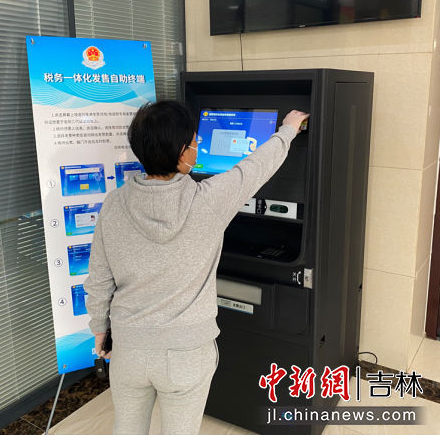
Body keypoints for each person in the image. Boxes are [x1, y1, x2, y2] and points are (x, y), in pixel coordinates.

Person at [83, 101, 309, 435]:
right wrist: (288, 129)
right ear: (181, 154)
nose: (197, 147)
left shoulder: (113, 204)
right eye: (193, 142)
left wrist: (100, 333)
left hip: (129, 348)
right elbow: (255, 167)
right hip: (186, 353)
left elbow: (99, 279)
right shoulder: (210, 199)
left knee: (127, 428)